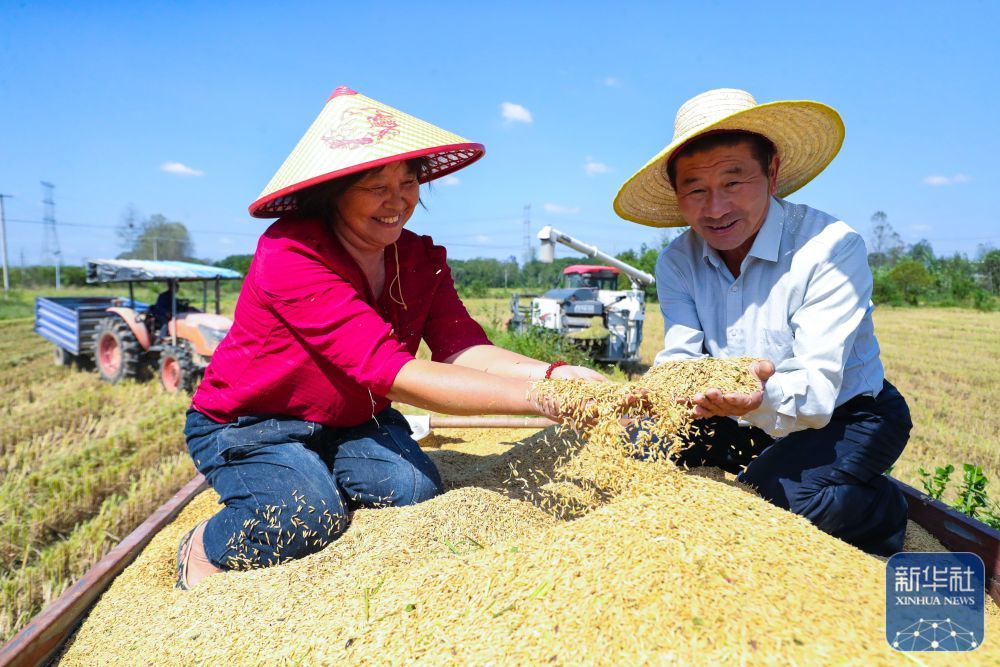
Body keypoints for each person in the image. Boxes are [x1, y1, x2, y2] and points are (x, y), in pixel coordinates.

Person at [176, 87, 607, 589]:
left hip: (356, 417)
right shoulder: (291, 252)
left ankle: (314, 467)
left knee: (413, 490)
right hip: (253, 421)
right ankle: (202, 543)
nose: (397, 201)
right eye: (375, 186)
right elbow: (393, 372)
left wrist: (560, 376)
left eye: (408, 181)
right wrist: (548, 399)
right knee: (306, 517)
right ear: (333, 191)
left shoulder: (420, 258)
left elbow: (463, 348)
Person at [613, 88, 912, 555]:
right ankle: (765, 461)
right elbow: (682, 355)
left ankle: (884, 510)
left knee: (773, 500)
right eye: (696, 189)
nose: (715, 209)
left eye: (734, 183)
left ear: (771, 173)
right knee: (639, 450)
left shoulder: (830, 248)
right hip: (739, 408)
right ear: (677, 194)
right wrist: (656, 395)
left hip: (847, 412)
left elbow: (814, 395)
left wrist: (752, 397)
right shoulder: (677, 261)